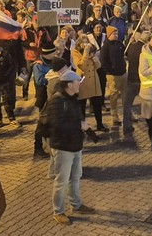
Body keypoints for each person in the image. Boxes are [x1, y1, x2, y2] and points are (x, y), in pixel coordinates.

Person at [37, 68, 95, 225]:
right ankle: (58, 211)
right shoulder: (57, 101)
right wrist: (79, 125)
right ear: (69, 84)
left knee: (75, 177)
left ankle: (76, 204)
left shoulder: (72, 98)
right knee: (61, 181)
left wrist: (85, 129)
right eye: (78, 82)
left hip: (75, 144)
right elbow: (57, 126)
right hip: (63, 147)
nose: (80, 85)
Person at [100, 26, 127, 127]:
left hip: (123, 73)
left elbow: (125, 53)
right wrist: (110, 70)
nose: (116, 35)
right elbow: (103, 61)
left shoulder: (120, 43)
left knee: (125, 95)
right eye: (114, 34)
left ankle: (127, 113)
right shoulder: (105, 46)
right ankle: (114, 115)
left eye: (116, 33)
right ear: (109, 35)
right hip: (113, 75)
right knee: (114, 96)